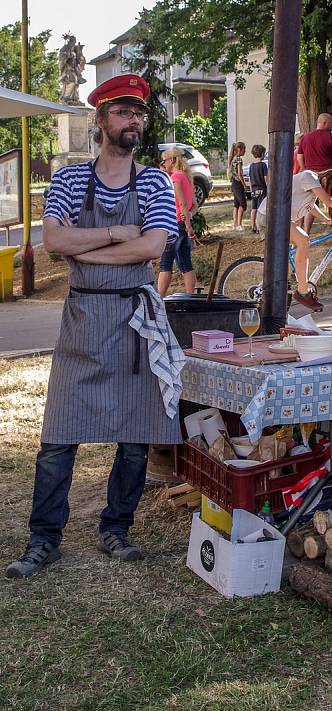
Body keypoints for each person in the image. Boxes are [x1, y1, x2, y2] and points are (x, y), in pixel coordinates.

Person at [6, 74, 184, 578]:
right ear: (100, 119)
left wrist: (91, 244)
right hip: (83, 320)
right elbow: (53, 242)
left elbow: (153, 247)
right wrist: (112, 232)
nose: (135, 121)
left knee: (133, 436)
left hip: (134, 322)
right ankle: (44, 539)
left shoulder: (154, 181)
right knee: (57, 438)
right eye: (124, 112)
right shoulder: (67, 180)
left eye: (140, 114)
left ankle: (116, 528)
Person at [255, 168, 332, 312]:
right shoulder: (309, 177)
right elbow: (328, 201)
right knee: (303, 240)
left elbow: (310, 206)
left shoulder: (312, 187)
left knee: (300, 246)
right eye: (331, 189)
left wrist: (326, 220)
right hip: (269, 215)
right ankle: (303, 292)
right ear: (325, 180)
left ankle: (299, 287)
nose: (328, 192)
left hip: (277, 216)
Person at [158, 146, 198, 296]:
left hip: (174, 224)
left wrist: (188, 226)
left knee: (165, 263)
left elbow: (181, 204)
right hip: (182, 223)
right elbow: (194, 205)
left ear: (173, 160)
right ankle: (190, 295)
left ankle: (159, 298)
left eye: (165, 161)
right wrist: (189, 217)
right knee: (185, 263)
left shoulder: (175, 178)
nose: (164, 164)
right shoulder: (187, 177)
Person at [296, 113, 332, 232]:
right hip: (328, 175)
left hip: (310, 176)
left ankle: (306, 231)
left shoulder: (305, 137)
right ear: (324, 123)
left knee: (311, 203)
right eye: (331, 123)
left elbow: (299, 157)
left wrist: (304, 168)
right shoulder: (331, 136)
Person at [249, 144, 268, 234]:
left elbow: (250, 178)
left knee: (254, 209)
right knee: (261, 209)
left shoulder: (251, 166)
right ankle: (260, 227)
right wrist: (268, 187)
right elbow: (265, 178)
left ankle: (253, 226)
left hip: (253, 190)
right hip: (262, 189)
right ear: (262, 154)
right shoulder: (263, 165)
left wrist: (250, 188)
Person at [228, 141, 247, 231]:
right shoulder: (239, 159)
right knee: (242, 203)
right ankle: (239, 224)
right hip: (238, 183)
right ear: (239, 149)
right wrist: (244, 184)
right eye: (244, 149)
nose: (245, 151)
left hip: (233, 183)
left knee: (236, 204)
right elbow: (240, 173)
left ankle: (235, 224)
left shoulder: (232, 159)